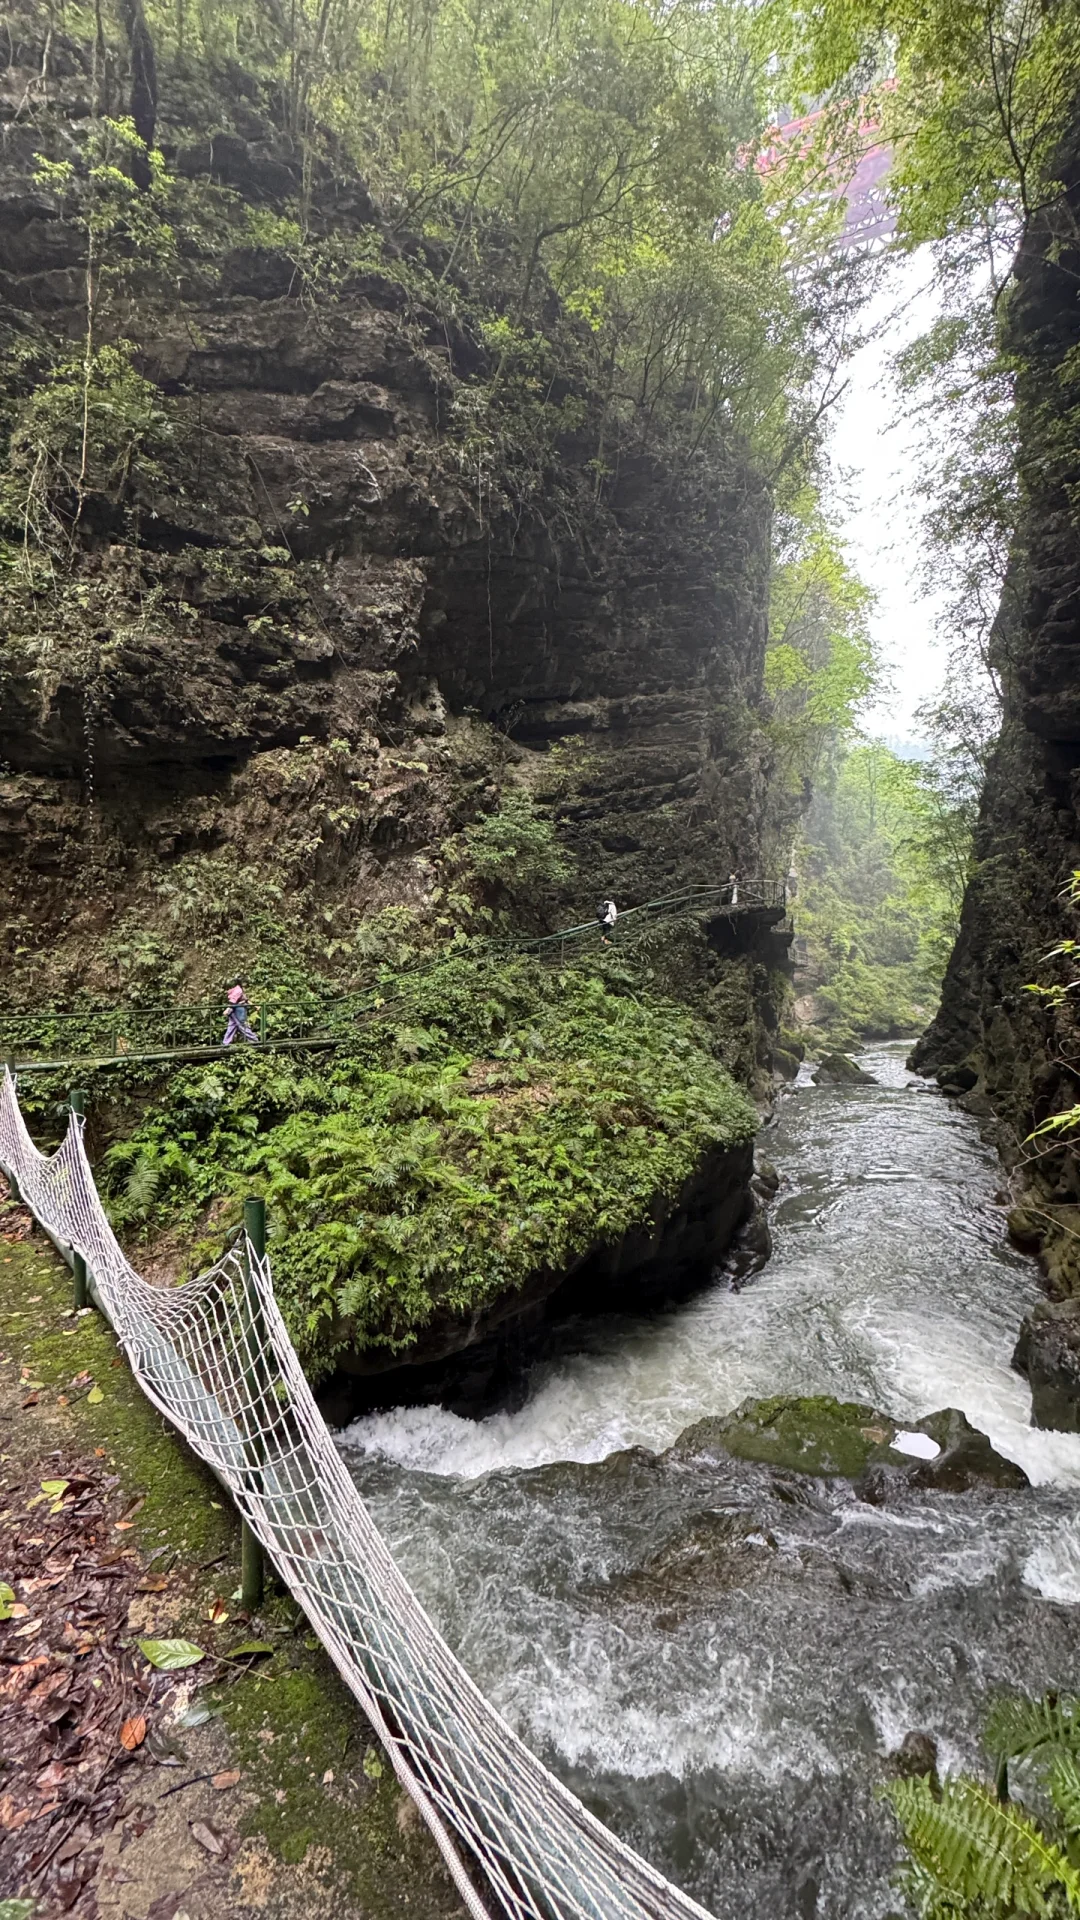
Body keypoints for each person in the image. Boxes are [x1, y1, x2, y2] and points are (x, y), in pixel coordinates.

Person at [222, 980, 260, 1047]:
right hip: (234, 1010)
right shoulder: (238, 990)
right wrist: (255, 1006)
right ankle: (225, 1043)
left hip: (238, 1010)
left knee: (242, 1026)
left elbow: (233, 1002)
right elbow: (246, 1000)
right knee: (231, 1027)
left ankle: (254, 1041)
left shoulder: (237, 990)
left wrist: (227, 1010)